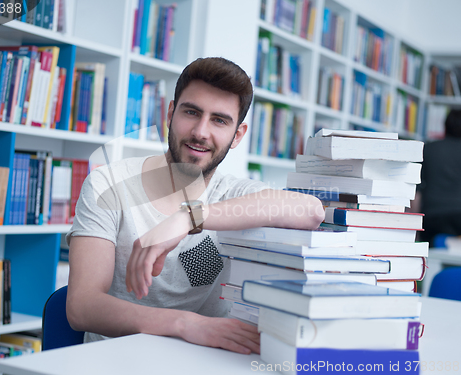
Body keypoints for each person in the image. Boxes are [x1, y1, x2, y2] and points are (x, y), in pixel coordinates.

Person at [65, 57, 324, 355]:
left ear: (237, 135)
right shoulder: (108, 184)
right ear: (170, 113)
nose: (201, 132)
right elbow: (82, 307)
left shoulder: (234, 194)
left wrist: (189, 217)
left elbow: (312, 211)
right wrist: (186, 324)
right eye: (192, 112)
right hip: (111, 361)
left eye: (219, 120)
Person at [414, 109, 461, 246]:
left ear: (445, 126)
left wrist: (414, 227)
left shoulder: (428, 149)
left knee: (431, 254)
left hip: (433, 218)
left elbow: (416, 193)